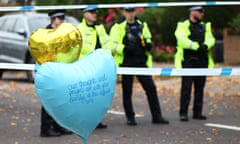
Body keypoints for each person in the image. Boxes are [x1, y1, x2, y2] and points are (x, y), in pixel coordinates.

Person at [109, 7, 169, 126]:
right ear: (123, 12)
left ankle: (157, 116)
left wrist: (148, 44)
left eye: (132, 11)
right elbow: (112, 45)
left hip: (141, 62)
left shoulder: (142, 25)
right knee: (127, 91)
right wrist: (124, 49)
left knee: (151, 88)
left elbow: (148, 38)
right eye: (127, 11)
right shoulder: (117, 27)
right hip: (126, 62)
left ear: (135, 12)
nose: (130, 14)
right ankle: (130, 117)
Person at [174, 6, 215, 122]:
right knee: (186, 87)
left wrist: (206, 45)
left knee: (200, 87)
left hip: (202, 60)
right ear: (192, 12)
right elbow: (181, 40)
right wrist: (197, 46)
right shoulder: (183, 24)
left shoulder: (205, 25)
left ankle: (197, 112)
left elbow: (211, 38)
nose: (202, 14)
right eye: (200, 11)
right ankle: (183, 113)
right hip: (188, 60)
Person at [77, 7, 114, 128]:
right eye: (91, 12)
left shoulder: (100, 28)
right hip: (84, 66)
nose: (94, 14)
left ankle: (95, 120)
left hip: (98, 66)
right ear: (85, 14)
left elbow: (108, 44)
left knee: (96, 96)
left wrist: (107, 56)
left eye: (95, 12)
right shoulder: (79, 29)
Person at [40, 9, 73, 137]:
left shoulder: (61, 33)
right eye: (60, 19)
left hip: (59, 70)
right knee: (49, 100)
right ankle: (45, 129)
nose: (62, 21)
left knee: (59, 100)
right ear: (53, 20)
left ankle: (58, 126)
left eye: (63, 19)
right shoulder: (45, 34)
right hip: (48, 70)